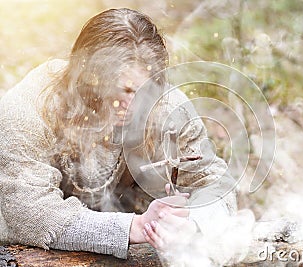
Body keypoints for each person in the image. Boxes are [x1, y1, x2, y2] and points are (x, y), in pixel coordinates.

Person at [0, 8, 237, 259]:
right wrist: (133, 227)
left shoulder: (166, 107)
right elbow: (30, 211)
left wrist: (193, 225)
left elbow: (214, 183)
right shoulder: (31, 105)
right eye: (123, 90)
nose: (136, 104)